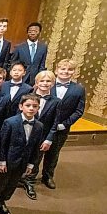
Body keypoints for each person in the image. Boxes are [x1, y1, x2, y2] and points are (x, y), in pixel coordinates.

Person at [0, 94, 43, 214]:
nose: (31, 108)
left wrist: (31, 163)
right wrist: (1, 161)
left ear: (38, 108)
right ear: (21, 106)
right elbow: (2, 143)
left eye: (35, 106)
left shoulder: (39, 126)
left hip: (23, 162)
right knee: (0, 183)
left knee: (12, 184)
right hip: (7, 160)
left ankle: (2, 201)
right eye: (28, 105)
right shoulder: (10, 122)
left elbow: (35, 147)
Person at [42, 59, 85, 189]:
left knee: (53, 153)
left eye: (69, 69)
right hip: (43, 125)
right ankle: (29, 177)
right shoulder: (46, 84)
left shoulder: (79, 89)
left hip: (61, 127)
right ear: (56, 70)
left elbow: (79, 111)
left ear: (73, 72)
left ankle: (47, 176)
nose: (65, 72)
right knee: (35, 152)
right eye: (62, 69)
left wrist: (65, 124)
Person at [20, 70, 60, 200]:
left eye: (48, 81)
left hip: (42, 136)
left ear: (53, 84)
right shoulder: (26, 96)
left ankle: (30, 182)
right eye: (42, 81)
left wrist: (49, 139)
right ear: (36, 82)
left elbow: (55, 122)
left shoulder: (56, 101)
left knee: (36, 158)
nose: (45, 83)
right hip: (25, 132)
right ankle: (17, 178)